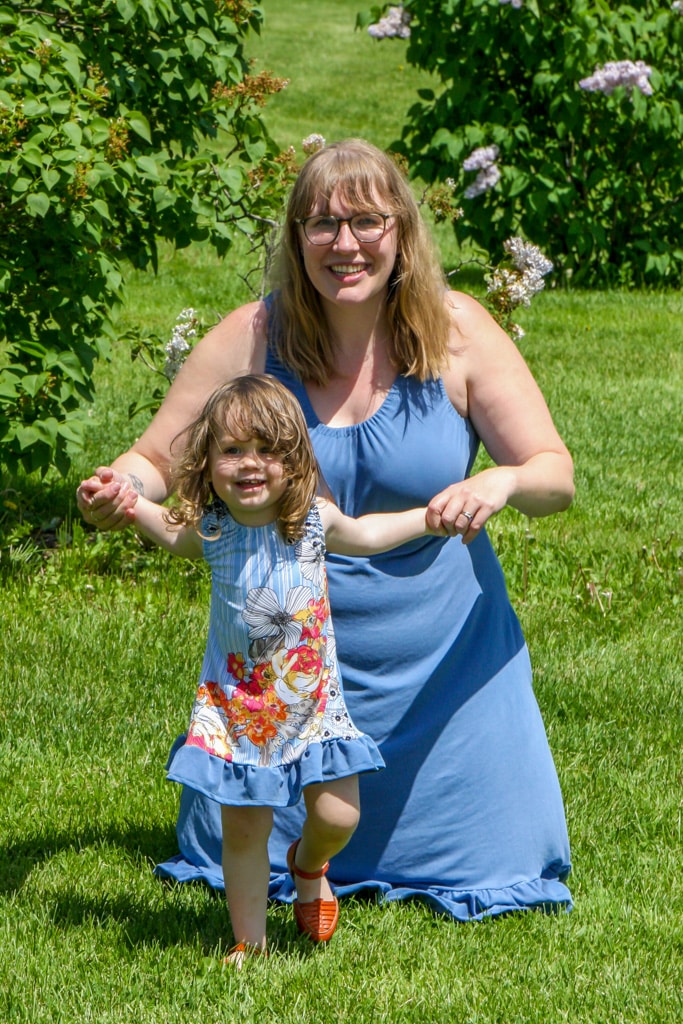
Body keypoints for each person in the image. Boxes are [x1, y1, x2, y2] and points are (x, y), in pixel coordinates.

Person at [77, 138, 575, 924]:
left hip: (446, 681)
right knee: (229, 848)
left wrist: (502, 479)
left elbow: (555, 476)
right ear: (295, 239)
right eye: (321, 224)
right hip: (282, 676)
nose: (344, 244)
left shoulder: (459, 332)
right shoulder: (253, 335)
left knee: (501, 865)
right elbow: (153, 459)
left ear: (402, 232)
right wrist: (118, 488)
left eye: (366, 221)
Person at [122, 372, 446, 961]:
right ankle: (250, 943)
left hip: (314, 704)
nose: (251, 464)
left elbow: (370, 534)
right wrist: (127, 500)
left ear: (295, 462)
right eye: (233, 450)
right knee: (244, 831)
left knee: (338, 814)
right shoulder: (213, 530)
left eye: (269, 450)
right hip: (240, 708)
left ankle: (308, 862)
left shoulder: (313, 523)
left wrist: (429, 517)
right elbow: (167, 533)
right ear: (209, 461)